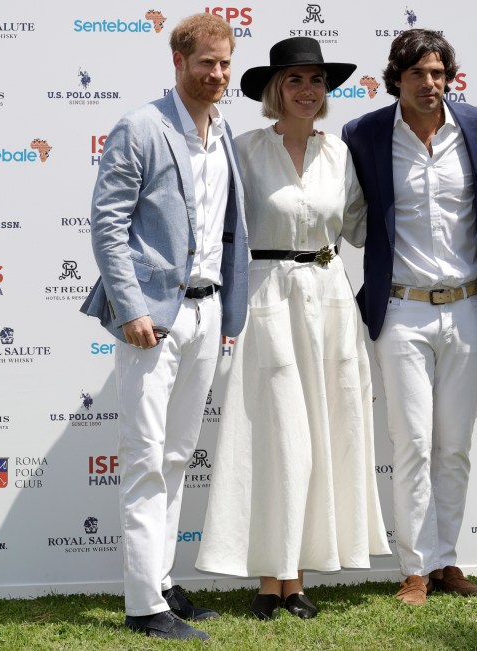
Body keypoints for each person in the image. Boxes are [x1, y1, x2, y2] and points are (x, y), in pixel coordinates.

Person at [195, 37, 390, 620]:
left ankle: (296, 581)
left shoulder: (340, 154)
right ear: (275, 90)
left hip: (329, 302)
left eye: (318, 81)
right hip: (266, 298)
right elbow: (217, 224)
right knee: (274, 438)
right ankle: (266, 580)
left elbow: (359, 228)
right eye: (296, 80)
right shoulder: (246, 149)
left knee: (325, 436)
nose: (309, 91)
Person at [80, 13, 248, 641]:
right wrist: (131, 310)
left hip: (206, 315)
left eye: (225, 63)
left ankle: (163, 583)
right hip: (153, 321)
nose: (217, 74)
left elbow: (229, 230)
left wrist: (229, 314)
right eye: (206, 62)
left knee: (177, 456)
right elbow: (108, 226)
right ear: (178, 62)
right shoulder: (141, 127)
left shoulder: (223, 130)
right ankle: (143, 606)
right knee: (148, 460)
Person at [342, 29, 477, 606]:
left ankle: (447, 560)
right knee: (411, 442)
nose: (430, 84)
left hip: (467, 306)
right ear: (397, 79)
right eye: (417, 75)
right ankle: (415, 567)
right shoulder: (363, 133)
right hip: (400, 309)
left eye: (438, 73)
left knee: (454, 444)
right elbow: (353, 215)